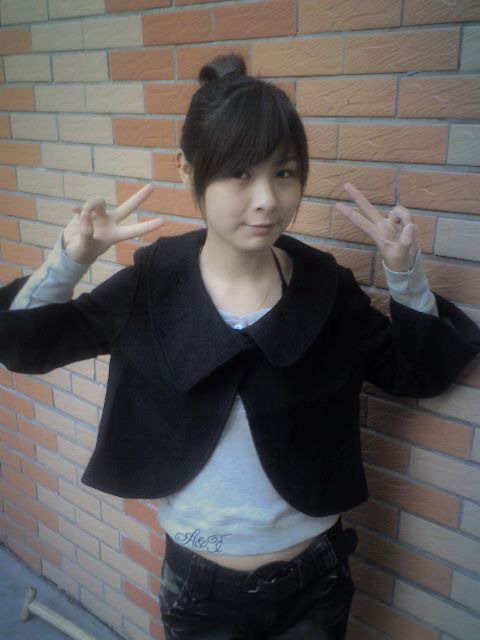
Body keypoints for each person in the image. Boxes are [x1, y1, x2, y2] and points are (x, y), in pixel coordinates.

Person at [1, 54, 480, 640]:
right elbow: (25, 346)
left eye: (285, 173)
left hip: (317, 582)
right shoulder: (150, 287)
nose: (266, 200)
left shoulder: (325, 288)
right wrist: (69, 260)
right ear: (188, 169)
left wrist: (403, 272)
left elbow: (416, 372)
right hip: (201, 594)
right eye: (239, 173)